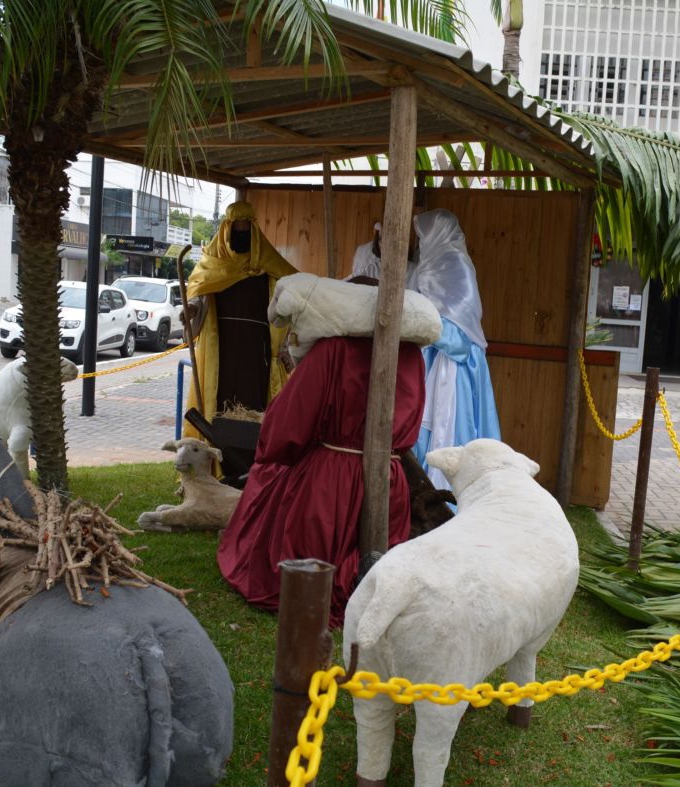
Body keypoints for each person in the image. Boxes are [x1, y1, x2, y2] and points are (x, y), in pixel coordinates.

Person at [216, 332, 425, 628]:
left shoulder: (333, 348)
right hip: (388, 478)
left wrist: (273, 452)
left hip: (331, 481)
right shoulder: (411, 355)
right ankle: (361, 581)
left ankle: (335, 582)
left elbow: (291, 419)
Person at [181, 201, 296, 441]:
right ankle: (218, 455)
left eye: (246, 225)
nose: (242, 229)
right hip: (222, 346)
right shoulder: (214, 262)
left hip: (257, 349)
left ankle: (252, 458)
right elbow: (199, 293)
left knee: (254, 400)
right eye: (238, 225)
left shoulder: (268, 264)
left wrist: (286, 345)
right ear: (227, 227)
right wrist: (191, 309)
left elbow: (292, 293)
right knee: (220, 396)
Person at [407, 208, 501, 490]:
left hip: (456, 369)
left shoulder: (457, 265)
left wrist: (426, 327)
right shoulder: (427, 264)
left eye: (423, 236)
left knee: (456, 430)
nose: (420, 242)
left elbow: (459, 339)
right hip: (428, 359)